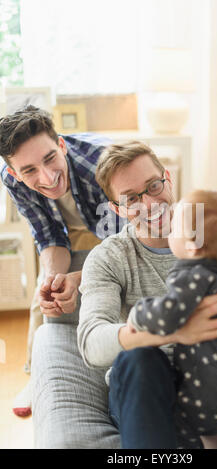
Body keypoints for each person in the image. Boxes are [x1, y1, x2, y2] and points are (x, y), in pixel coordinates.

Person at [78, 141, 217, 449]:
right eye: (132, 198)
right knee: (138, 358)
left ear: (167, 179)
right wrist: (174, 332)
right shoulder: (109, 258)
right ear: (118, 209)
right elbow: (92, 342)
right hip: (152, 393)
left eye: (153, 186)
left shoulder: (214, 233)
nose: (149, 204)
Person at [0, 105, 124, 416]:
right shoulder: (12, 179)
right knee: (44, 294)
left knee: (114, 286)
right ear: (14, 172)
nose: (47, 177)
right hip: (72, 226)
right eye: (29, 170)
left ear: (62, 146)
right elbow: (49, 236)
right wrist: (54, 282)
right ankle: (37, 374)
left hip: (119, 228)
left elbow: (126, 246)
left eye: (50, 159)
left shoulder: (105, 162)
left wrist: (80, 279)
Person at [127, 189, 217, 449]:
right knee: (213, 425)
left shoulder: (193, 277)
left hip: (212, 395)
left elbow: (167, 316)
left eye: (174, 229)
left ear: (192, 247)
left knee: (180, 415)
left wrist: (138, 313)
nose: (169, 231)